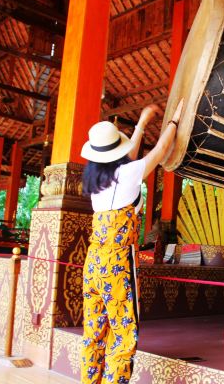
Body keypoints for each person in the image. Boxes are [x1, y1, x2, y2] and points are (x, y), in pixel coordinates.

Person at [79, 99, 184, 384]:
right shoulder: (126, 175)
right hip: (117, 264)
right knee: (124, 336)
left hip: (93, 264)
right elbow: (160, 151)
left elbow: (129, 159)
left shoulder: (96, 182)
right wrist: (174, 121)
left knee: (94, 332)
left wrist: (142, 123)